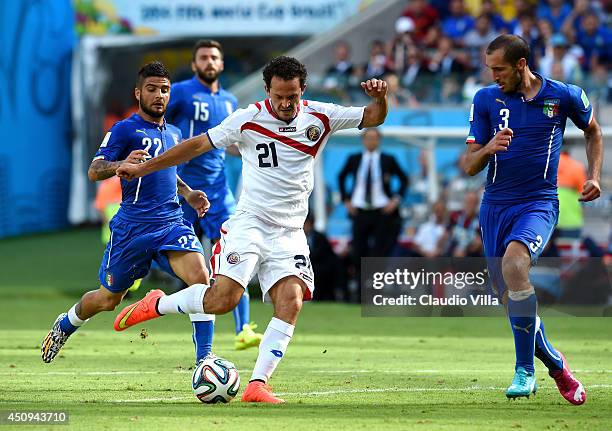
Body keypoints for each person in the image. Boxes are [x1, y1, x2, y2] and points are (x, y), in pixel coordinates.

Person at [114, 56, 388, 403]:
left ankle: (258, 385)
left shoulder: (321, 115)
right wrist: (145, 169)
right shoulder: (248, 118)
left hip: (289, 231)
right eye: (279, 97)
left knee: (291, 301)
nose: (286, 104)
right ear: (267, 90)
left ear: (302, 90)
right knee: (222, 300)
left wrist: (380, 98)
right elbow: (197, 144)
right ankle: (159, 304)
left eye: (292, 97)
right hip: (250, 223)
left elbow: (373, 117)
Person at [41, 62, 212, 365]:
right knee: (108, 300)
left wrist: (188, 193)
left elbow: (167, 172)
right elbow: (95, 170)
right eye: (152, 89)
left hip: (171, 222)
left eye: (164, 89)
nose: (159, 95)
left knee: (201, 279)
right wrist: (118, 165)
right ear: (138, 92)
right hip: (133, 228)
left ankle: (205, 360)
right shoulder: (124, 129)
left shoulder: (173, 133)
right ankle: (66, 323)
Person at [464, 34, 602, 403]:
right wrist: (489, 147)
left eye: (500, 69)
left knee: (514, 264)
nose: (494, 76)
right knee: (509, 298)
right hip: (495, 205)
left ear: (521, 64)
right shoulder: (485, 100)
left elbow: (593, 131)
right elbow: (468, 166)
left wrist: (594, 175)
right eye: (490, 69)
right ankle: (557, 366)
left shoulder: (563, 96)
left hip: (538, 203)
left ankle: (524, 370)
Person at [165, 39, 261, 351]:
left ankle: (243, 329)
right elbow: (159, 123)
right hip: (182, 188)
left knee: (237, 251)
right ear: (195, 65)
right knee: (174, 250)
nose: (209, 62)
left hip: (218, 190)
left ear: (221, 65)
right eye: (203, 58)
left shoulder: (230, 100)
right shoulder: (180, 92)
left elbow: (227, 141)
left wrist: (251, 150)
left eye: (214, 58)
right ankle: (145, 270)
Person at [338, 128, 408, 290]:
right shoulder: (354, 159)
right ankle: (360, 290)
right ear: (363, 140)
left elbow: (404, 179)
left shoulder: (388, 159)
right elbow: (341, 176)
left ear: (379, 140)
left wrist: (395, 200)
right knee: (358, 251)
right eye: (368, 138)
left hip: (381, 210)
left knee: (379, 251)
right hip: (359, 210)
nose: (371, 141)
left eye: (374, 138)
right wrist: (346, 200)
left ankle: (376, 289)